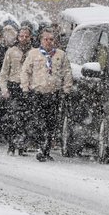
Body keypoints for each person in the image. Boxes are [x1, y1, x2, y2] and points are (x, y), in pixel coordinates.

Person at [20, 28, 74, 162]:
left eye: (51, 39)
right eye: (46, 39)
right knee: (39, 121)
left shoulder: (60, 55)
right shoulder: (33, 54)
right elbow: (25, 72)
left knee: (52, 123)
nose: (48, 42)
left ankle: (46, 149)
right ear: (41, 40)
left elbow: (67, 73)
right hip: (37, 93)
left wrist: (66, 90)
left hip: (54, 94)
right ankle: (40, 146)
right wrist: (25, 88)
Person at [0, 23, 34, 155]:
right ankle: (12, 144)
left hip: (28, 88)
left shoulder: (34, 53)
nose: (23, 38)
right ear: (18, 37)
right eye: (21, 36)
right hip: (14, 86)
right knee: (13, 117)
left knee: (26, 117)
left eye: (26, 36)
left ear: (30, 37)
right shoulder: (11, 52)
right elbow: (3, 73)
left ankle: (22, 144)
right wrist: (4, 89)